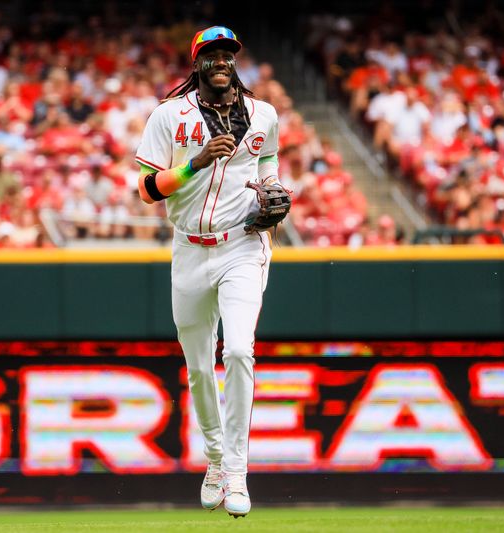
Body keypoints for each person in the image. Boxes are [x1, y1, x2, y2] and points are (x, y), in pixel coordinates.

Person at [136, 26, 285, 518]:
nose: (221, 61)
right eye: (211, 54)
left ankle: (238, 471)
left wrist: (275, 198)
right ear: (196, 61)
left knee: (239, 349)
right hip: (189, 250)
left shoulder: (263, 114)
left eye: (228, 53)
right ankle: (216, 459)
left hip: (242, 244)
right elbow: (147, 189)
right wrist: (194, 165)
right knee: (200, 366)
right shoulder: (169, 115)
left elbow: (268, 167)